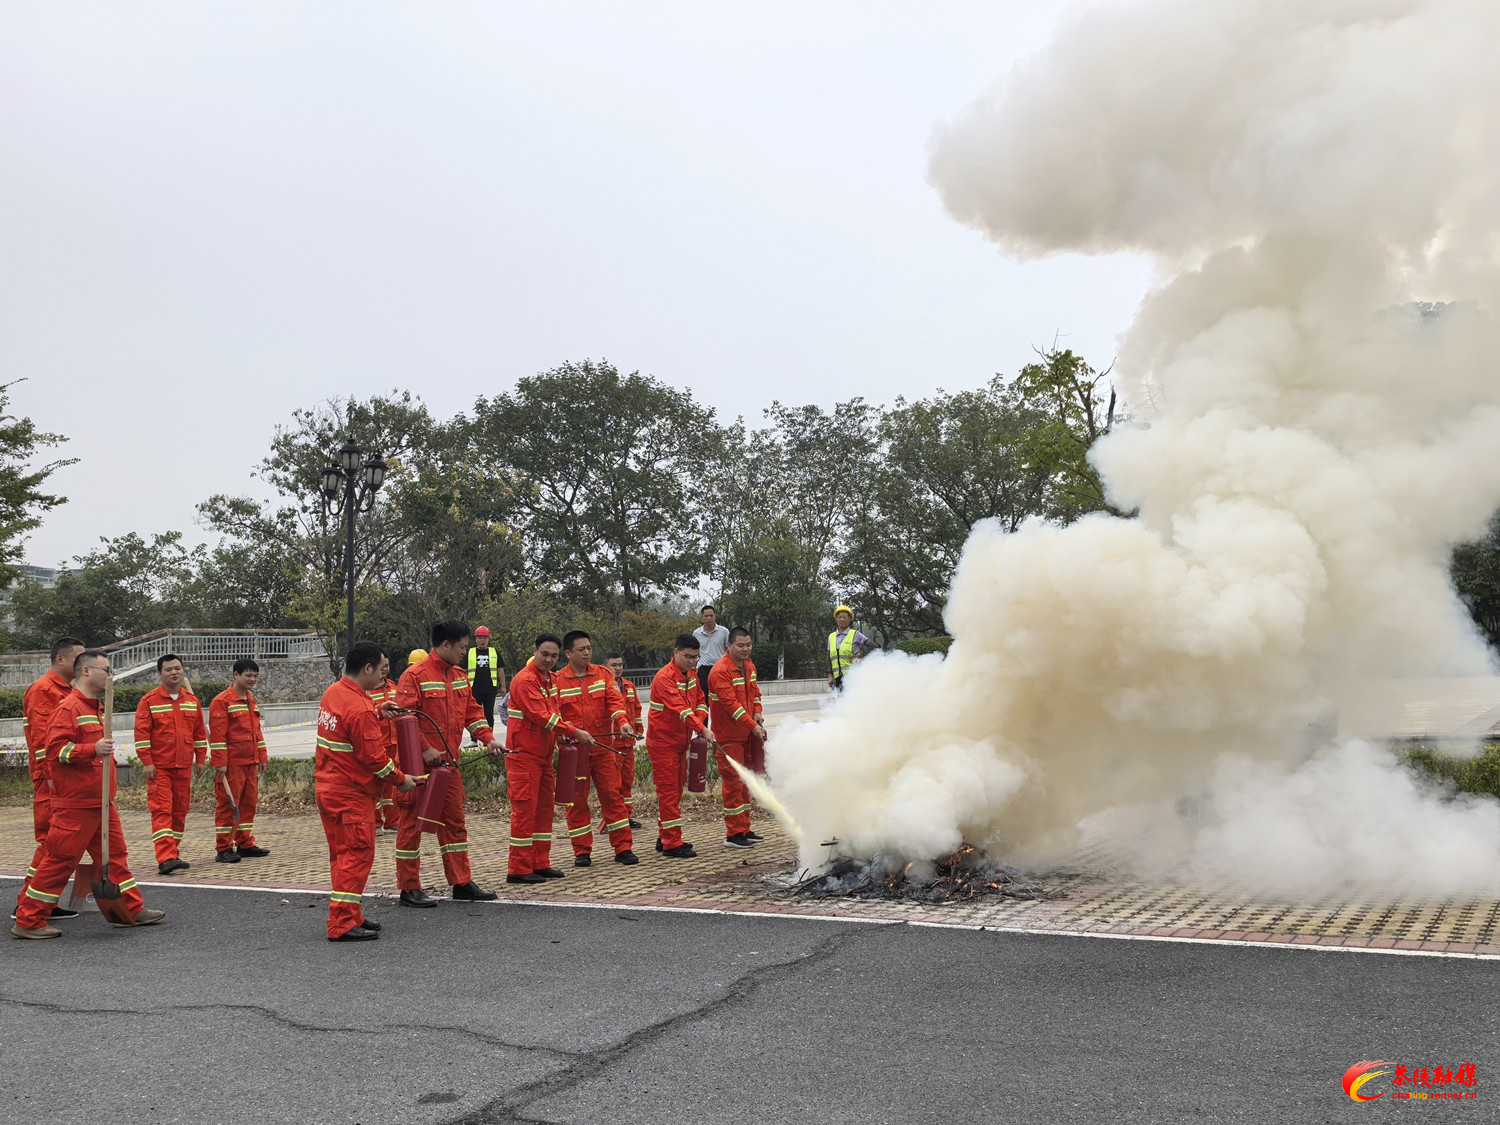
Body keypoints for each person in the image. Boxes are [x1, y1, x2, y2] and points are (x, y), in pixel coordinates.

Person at [12, 650, 165, 938]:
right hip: (76, 803)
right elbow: (55, 752)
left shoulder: (93, 708)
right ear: (86, 672)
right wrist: (91, 750)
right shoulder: (68, 709)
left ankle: (129, 910)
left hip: (100, 801)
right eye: (106, 670)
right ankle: (28, 920)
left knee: (115, 857)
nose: (110, 676)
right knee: (60, 859)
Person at [314, 641, 418, 942]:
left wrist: (376, 709)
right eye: (380, 668)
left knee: (342, 856)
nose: (383, 676)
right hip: (350, 794)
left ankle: (350, 912)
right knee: (356, 856)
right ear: (368, 668)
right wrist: (401, 779)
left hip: (329, 789)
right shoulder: (359, 707)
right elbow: (374, 758)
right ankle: (342, 922)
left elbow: (350, 721)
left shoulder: (335, 692)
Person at [392, 620, 500, 907]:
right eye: (462, 647)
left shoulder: (460, 676)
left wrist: (488, 738)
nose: (465, 652)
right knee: (412, 824)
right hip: (418, 766)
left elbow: (472, 713)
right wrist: (425, 748)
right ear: (445, 645)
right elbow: (404, 720)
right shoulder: (413, 676)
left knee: (454, 823)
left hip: (449, 765)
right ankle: (409, 887)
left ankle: (461, 882)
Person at [503, 634, 594, 884]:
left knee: (543, 812)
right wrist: (573, 731)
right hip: (523, 758)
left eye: (554, 656)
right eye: (545, 654)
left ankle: (539, 862)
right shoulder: (525, 680)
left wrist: (560, 736)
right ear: (535, 650)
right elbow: (541, 716)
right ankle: (519, 868)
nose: (549, 660)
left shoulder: (549, 679)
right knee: (524, 813)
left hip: (543, 756)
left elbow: (554, 712)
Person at [14, 636, 85, 923]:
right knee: (50, 843)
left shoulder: (67, 690)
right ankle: (27, 904)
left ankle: (42, 901)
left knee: (57, 844)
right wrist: (52, 781)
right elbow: (44, 744)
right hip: (51, 781)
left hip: (66, 782)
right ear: (60, 659)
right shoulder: (44, 690)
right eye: (77, 659)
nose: (82, 665)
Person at [555, 631, 638, 867]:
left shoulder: (602, 674)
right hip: (575, 755)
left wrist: (622, 722)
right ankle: (582, 851)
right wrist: (568, 729)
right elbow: (555, 714)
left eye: (589, 648)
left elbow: (615, 701)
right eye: (581, 649)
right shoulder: (558, 680)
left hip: (603, 750)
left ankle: (623, 848)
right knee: (576, 801)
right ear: (569, 653)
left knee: (613, 797)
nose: (587, 652)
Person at [134, 653, 209, 874]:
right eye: (169, 669)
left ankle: (173, 853)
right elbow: (141, 734)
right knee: (162, 811)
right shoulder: (149, 701)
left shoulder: (191, 701)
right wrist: (147, 762)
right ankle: (165, 857)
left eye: (177, 668)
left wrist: (201, 759)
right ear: (160, 674)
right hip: (160, 768)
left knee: (179, 811)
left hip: (183, 766)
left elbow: (198, 733)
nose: (174, 672)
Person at [646, 634, 710, 858]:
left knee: (676, 789)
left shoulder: (692, 674)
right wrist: (702, 729)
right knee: (668, 792)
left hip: (680, 743)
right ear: (675, 653)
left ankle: (665, 835)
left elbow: (701, 700)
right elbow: (681, 710)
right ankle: (672, 843)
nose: (692, 661)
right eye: (687, 656)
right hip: (662, 743)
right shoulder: (664, 678)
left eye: (695, 657)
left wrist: (700, 720)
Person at [707, 627, 766, 849]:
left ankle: (745, 828)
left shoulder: (749, 666)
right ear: (729, 646)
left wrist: (758, 711)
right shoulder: (720, 671)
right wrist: (753, 726)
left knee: (747, 782)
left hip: (747, 734)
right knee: (733, 783)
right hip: (728, 737)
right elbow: (732, 706)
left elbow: (755, 693)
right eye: (740, 645)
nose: (745, 649)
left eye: (748, 644)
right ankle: (733, 834)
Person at [209, 659, 269, 862]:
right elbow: (218, 737)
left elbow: (257, 733)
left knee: (248, 805)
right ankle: (223, 847)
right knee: (228, 805)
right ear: (236, 675)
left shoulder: (251, 700)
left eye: (255, 676)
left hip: (250, 763)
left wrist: (262, 756)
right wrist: (220, 763)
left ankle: (245, 843)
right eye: (248, 676)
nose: (252, 679)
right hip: (232, 765)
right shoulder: (222, 701)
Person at [605, 654, 642, 827]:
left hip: (628, 741)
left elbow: (636, 709)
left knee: (627, 780)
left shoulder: (629, 686)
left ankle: (626, 816)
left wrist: (639, 729)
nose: (618, 668)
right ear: (606, 667)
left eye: (620, 664)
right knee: (615, 783)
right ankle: (615, 818)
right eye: (613, 665)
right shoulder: (604, 686)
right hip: (613, 743)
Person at [367, 654, 402, 835]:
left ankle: (392, 821)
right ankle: (374, 823)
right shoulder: (367, 690)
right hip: (377, 742)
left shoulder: (394, 687)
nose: (385, 669)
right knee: (376, 785)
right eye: (382, 666)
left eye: (387, 666)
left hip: (393, 742)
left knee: (391, 784)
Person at [465, 626, 507, 735]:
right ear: (476, 639)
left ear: (488, 638)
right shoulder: (470, 652)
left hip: (490, 689)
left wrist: (503, 686)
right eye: (479, 638)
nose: (482, 640)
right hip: (474, 689)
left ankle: (489, 736)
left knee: (489, 714)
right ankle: (474, 738)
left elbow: (500, 670)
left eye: (484, 637)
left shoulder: (494, 652)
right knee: (474, 714)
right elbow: (463, 671)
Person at [827, 605, 874, 692]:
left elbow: (872, 646)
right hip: (838, 678)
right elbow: (829, 658)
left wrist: (861, 658)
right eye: (839, 617)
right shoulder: (831, 637)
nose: (842, 619)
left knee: (853, 701)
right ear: (836, 619)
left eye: (845, 617)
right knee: (842, 702)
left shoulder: (856, 634)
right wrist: (830, 675)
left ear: (849, 619)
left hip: (853, 676)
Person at [692, 605, 730, 698]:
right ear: (702, 617)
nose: (709, 618)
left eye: (711, 615)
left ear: (715, 616)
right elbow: (693, 652)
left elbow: (730, 650)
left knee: (722, 696)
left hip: (720, 669)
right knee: (703, 697)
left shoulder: (724, 632)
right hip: (703, 669)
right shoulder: (696, 633)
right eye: (706, 616)